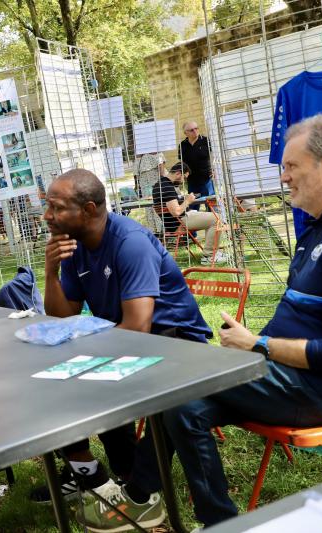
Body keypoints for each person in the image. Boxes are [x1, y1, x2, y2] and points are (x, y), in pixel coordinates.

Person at [83, 113, 322, 531]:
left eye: (292, 166)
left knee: (181, 389)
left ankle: (146, 499)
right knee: (184, 405)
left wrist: (258, 346)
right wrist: (252, 350)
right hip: (292, 375)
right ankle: (201, 516)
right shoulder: (319, 229)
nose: (283, 177)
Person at [34, 169, 211, 521]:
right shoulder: (76, 246)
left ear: (87, 209)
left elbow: (138, 327)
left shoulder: (130, 243)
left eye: (55, 208)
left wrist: (86, 361)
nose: (47, 217)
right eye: (47, 207)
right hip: (125, 338)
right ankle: (94, 477)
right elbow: (62, 317)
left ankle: (134, 486)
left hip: (177, 344)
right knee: (43, 385)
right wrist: (50, 273)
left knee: (94, 381)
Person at [153, 162, 227, 264]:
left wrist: (183, 199)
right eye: (184, 177)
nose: (184, 181)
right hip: (179, 223)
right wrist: (187, 201)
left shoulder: (160, 184)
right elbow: (176, 212)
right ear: (178, 173)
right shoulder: (166, 187)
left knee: (213, 217)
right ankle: (209, 256)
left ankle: (213, 252)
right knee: (217, 218)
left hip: (178, 221)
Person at [178, 121, 213, 208]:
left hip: (206, 179)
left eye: (196, 128)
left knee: (211, 205)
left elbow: (214, 156)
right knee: (193, 206)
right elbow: (182, 162)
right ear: (185, 133)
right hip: (191, 181)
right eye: (191, 130)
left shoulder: (206, 141)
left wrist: (215, 169)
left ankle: (214, 221)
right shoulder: (182, 145)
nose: (195, 131)